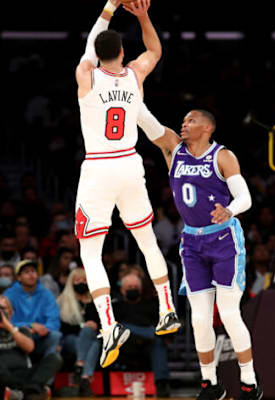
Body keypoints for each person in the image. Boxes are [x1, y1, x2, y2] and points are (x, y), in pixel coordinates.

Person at [73, 0, 181, 368]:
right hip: (130, 164)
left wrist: (108, 6)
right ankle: (167, 308)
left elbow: (89, 51)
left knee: (90, 252)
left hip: (99, 169)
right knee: (146, 239)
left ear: (97, 54)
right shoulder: (135, 75)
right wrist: (142, 14)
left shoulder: (87, 75)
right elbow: (155, 49)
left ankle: (109, 324)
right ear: (122, 51)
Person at [151, 109, 262, 400]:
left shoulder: (223, 156)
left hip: (224, 239)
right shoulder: (174, 150)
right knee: (199, 319)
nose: (184, 124)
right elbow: (149, 123)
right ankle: (210, 384)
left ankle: (250, 382)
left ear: (208, 128)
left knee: (228, 313)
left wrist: (229, 209)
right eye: (183, 120)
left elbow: (245, 198)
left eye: (191, 120)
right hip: (192, 241)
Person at [0, 295, 62, 400]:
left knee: (55, 358)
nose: (0, 311)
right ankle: (30, 393)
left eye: (3, 308)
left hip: (24, 375)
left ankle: (21, 393)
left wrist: (9, 327)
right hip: (1, 378)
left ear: (11, 312)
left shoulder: (21, 329)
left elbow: (29, 348)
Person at [113, 270, 172, 397]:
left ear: (140, 290)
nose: (132, 289)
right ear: (122, 290)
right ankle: (146, 335)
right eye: (129, 287)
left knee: (158, 343)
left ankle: (161, 383)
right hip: (124, 344)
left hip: (146, 344)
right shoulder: (116, 307)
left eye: (135, 287)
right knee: (123, 329)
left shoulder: (151, 305)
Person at [4, 260, 62, 358]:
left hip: (42, 336)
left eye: (33, 271)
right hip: (19, 335)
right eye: (26, 272)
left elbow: (54, 321)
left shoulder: (46, 294)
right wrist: (30, 326)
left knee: (56, 336)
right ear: (19, 277)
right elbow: (7, 321)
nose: (31, 274)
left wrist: (45, 329)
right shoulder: (9, 294)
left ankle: (47, 369)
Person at [56, 268, 100, 396]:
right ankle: (85, 377)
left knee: (94, 341)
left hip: (92, 336)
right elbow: (63, 326)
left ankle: (81, 369)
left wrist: (93, 325)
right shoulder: (63, 300)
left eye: (85, 280)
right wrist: (83, 325)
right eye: (77, 280)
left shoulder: (95, 301)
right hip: (70, 338)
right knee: (94, 344)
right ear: (71, 282)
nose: (81, 283)